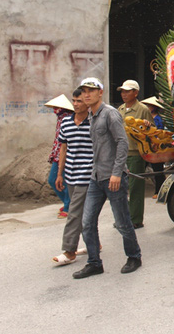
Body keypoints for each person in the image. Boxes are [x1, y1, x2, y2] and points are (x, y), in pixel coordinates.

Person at [73, 77, 142, 279]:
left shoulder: (110, 114)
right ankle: (94, 262)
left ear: (100, 92)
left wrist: (116, 173)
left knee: (122, 222)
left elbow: (122, 143)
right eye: (84, 91)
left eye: (91, 91)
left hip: (113, 178)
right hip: (96, 177)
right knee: (87, 222)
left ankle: (134, 256)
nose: (87, 94)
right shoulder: (92, 116)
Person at [52, 88, 93, 266]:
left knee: (74, 212)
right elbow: (63, 149)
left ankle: (69, 251)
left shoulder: (94, 123)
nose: (76, 104)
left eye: (79, 101)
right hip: (70, 174)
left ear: (87, 102)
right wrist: (60, 174)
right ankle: (94, 244)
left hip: (87, 176)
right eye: (74, 101)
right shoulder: (66, 123)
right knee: (82, 213)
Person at [117, 80, 153, 229]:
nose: (124, 94)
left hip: (136, 152)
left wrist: (147, 125)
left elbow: (153, 130)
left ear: (135, 93)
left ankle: (135, 219)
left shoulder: (143, 109)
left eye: (127, 91)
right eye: (122, 91)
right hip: (121, 153)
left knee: (135, 186)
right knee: (120, 187)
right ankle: (123, 218)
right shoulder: (120, 109)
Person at [44, 95, 73, 219]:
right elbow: (57, 140)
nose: (54, 109)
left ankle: (68, 206)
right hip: (58, 155)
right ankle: (68, 203)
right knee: (53, 180)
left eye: (56, 107)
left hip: (65, 155)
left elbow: (65, 142)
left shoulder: (67, 119)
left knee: (64, 181)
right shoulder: (60, 118)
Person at [141, 96, 166, 200]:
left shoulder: (157, 119)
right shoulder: (145, 118)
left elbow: (158, 132)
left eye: (149, 105)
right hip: (146, 146)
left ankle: (159, 190)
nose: (147, 107)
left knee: (157, 169)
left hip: (155, 146)